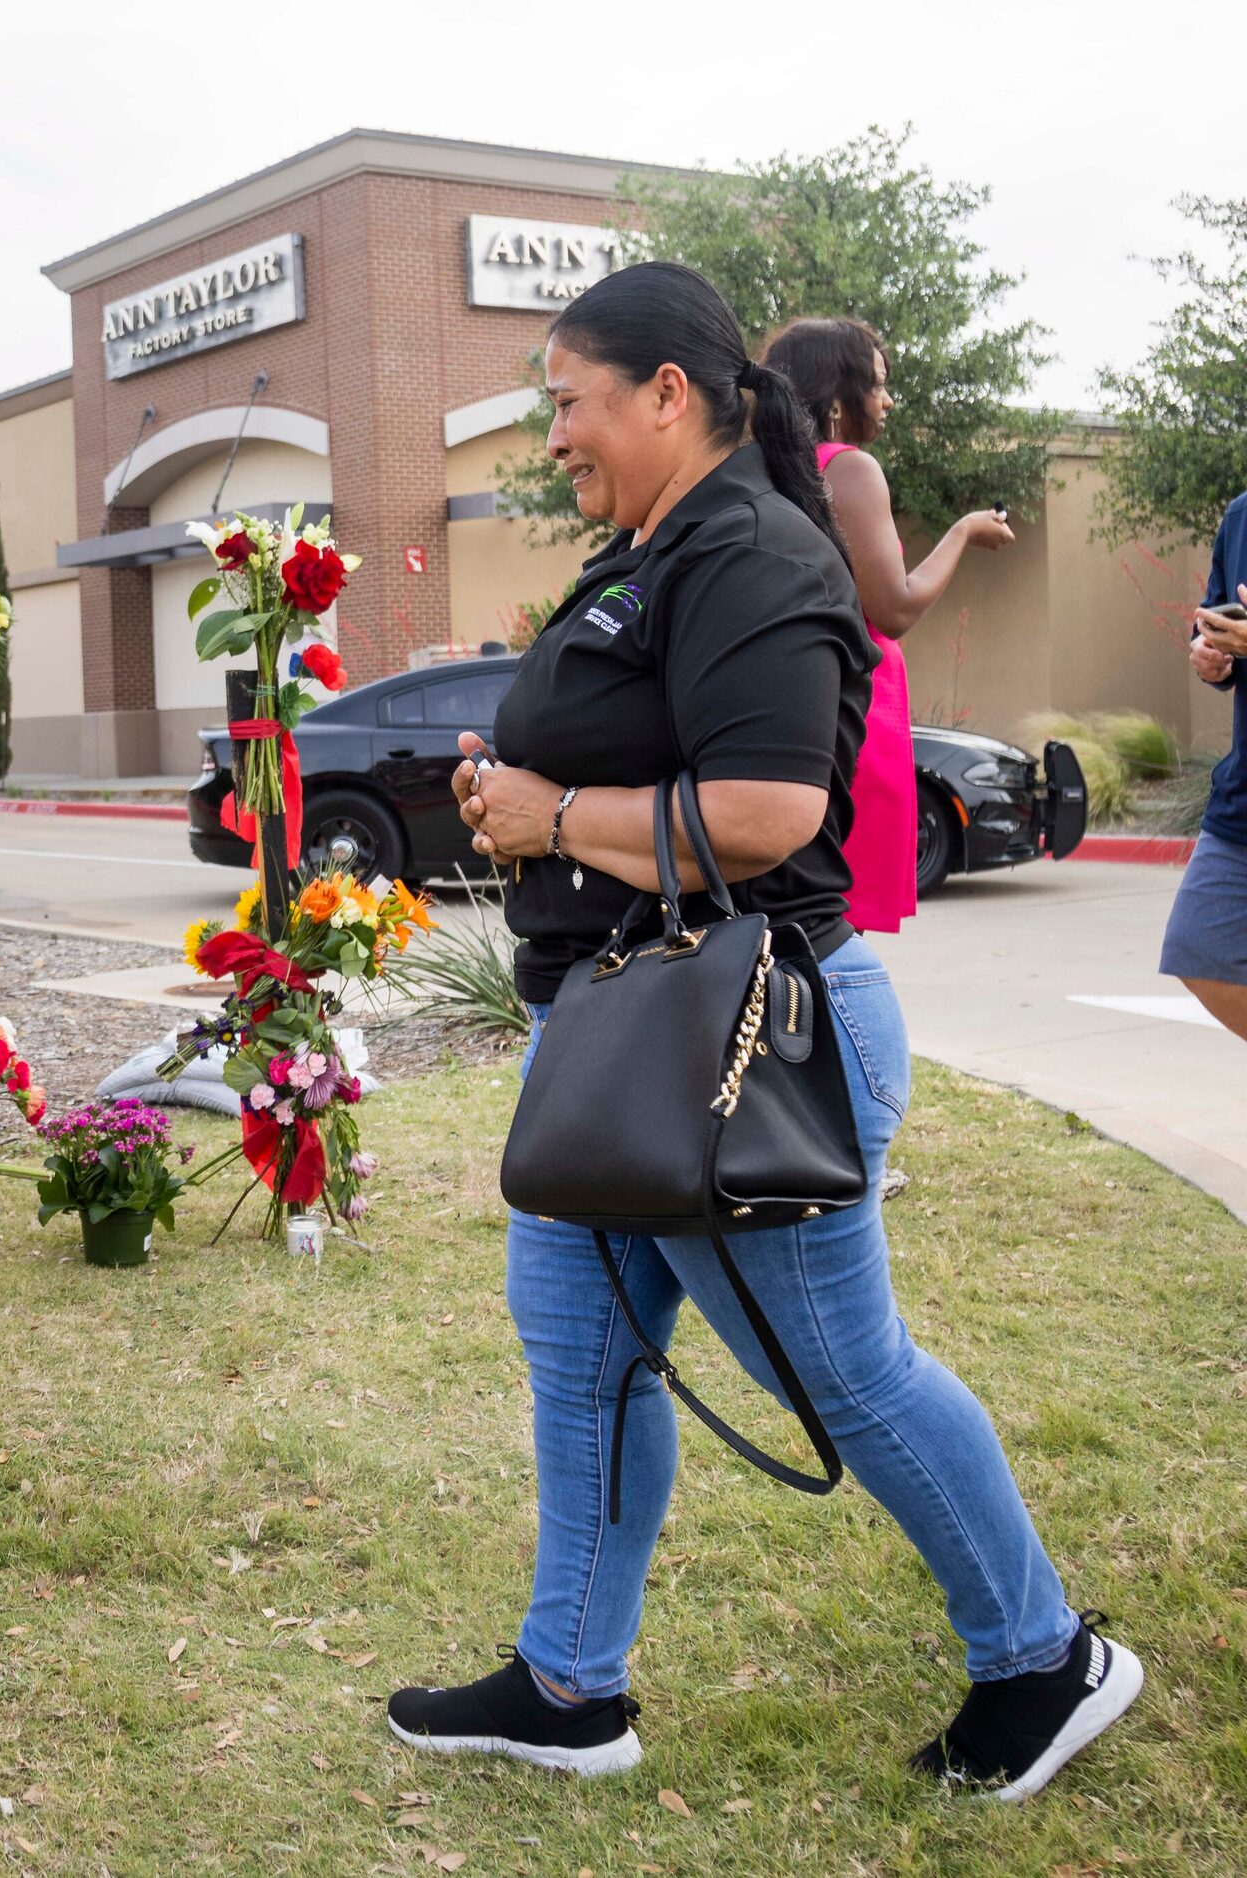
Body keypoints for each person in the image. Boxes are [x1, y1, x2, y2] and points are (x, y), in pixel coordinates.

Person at [384, 263, 1139, 1799]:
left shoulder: (753, 553)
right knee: (585, 1365)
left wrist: (553, 812)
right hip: (615, 1034)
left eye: (572, 403)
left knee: (849, 1376)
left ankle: (1046, 1657)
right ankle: (568, 1686)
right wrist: (510, 798)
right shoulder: (645, 551)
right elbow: (616, 759)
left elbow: (773, 809)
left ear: (670, 392)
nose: (560, 435)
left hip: (740, 1038)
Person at [759, 317, 1016, 931]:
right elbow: (893, 610)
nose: (888, 399)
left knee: (792, 926)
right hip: (854, 712)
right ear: (839, 405)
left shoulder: (759, 468)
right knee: (837, 929)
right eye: (877, 385)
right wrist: (963, 532)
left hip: (790, 703)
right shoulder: (848, 469)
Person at [1164, 487, 1247, 1041]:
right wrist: (1210, 656)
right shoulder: (1240, 516)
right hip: (1242, 794)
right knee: (1196, 946)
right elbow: (1214, 619)